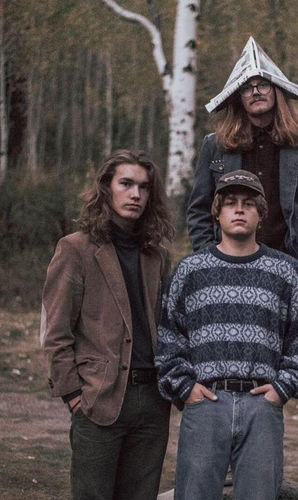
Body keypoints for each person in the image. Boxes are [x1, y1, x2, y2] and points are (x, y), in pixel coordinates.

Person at [156, 169, 298, 500]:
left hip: (262, 405)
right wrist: (186, 388)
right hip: (205, 403)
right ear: (217, 213)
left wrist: (281, 390)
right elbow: (169, 337)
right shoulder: (190, 270)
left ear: (261, 214)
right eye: (230, 203)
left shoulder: (285, 271)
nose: (239, 209)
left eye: (248, 203)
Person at [40, 150, 174, 500]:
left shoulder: (157, 255)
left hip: (152, 401)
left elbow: (169, 326)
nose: (135, 194)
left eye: (144, 187)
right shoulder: (75, 249)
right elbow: (56, 332)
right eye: (126, 184)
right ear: (106, 188)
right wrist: (73, 395)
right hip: (99, 397)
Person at [187, 36, 298, 268]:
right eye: (247, 87)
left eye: (263, 84)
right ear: (239, 98)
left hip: (284, 264)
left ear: (276, 90)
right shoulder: (215, 145)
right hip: (227, 263)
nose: (255, 92)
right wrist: (212, 258)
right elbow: (199, 210)